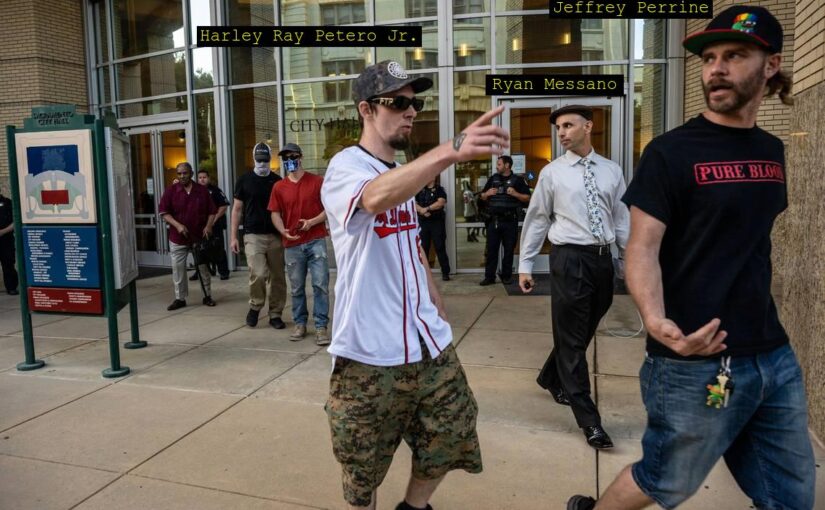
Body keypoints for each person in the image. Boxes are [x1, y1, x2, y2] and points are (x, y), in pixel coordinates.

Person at [568, 6, 814, 509]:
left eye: (734, 55)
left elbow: (751, 243)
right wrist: (655, 320)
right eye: (709, 58)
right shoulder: (670, 152)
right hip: (693, 358)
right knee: (665, 480)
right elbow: (642, 246)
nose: (716, 69)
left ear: (771, 65)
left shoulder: (772, 150)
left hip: (772, 353)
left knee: (790, 495)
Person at [321, 59, 509, 510]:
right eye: (399, 102)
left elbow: (410, 244)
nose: (411, 111)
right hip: (369, 352)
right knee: (361, 464)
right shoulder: (346, 167)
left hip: (428, 342)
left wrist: (434, 294)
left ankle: (414, 506)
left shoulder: (405, 170)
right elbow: (372, 198)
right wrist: (450, 151)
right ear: (366, 109)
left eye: (415, 102)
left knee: (452, 431)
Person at [519, 105, 630, 450]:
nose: (561, 132)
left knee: (579, 333)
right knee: (571, 338)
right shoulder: (553, 173)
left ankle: (550, 376)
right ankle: (590, 420)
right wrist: (525, 263)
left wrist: (626, 258)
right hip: (568, 260)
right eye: (558, 127)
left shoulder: (612, 170)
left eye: (568, 126)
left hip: (601, 262)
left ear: (588, 127)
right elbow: (538, 218)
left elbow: (621, 216)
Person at [267, 142, 331, 345]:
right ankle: (300, 323)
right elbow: (275, 213)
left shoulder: (317, 181)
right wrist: (282, 230)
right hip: (292, 244)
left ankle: (321, 326)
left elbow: (329, 208)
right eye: (285, 158)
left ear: (300, 157)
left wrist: (311, 222)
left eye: (292, 156)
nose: (289, 161)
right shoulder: (279, 186)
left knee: (320, 284)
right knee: (296, 288)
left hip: (315, 240)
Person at [230, 143, 287, 329]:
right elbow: (237, 209)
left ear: (270, 159)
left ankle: (276, 313)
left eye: (265, 160)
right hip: (253, 234)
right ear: (254, 159)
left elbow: (284, 209)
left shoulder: (278, 181)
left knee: (278, 277)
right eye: (259, 160)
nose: (262, 164)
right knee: (258, 273)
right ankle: (255, 306)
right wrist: (233, 237)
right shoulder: (244, 180)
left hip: (275, 235)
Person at [158, 162, 217, 310]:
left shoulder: (202, 191)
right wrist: (177, 225)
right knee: (178, 269)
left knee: (203, 268)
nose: (182, 176)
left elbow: (212, 211)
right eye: (179, 173)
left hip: (199, 237)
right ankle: (180, 298)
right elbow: (164, 213)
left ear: (191, 173)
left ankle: (207, 295)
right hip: (178, 238)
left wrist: (209, 226)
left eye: (185, 173)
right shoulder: (171, 191)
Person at [478, 155, 530, 285]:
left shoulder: (518, 180)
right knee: (491, 251)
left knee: (508, 251)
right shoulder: (493, 179)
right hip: (494, 221)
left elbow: (528, 198)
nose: (497, 166)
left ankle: (506, 276)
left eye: (499, 164)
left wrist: (515, 194)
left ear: (507, 165)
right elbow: (482, 197)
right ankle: (489, 277)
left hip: (510, 221)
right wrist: (487, 194)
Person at [190, 169, 230, 281]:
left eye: (204, 177)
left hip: (215, 225)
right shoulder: (194, 191)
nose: (202, 179)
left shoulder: (215, 191)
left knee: (218, 248)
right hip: (199, 226)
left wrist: (213, 221)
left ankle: (223, 272)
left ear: (209, 178)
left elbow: (223, 206)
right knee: (199, 249)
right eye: (200, 177)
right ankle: (199, 272)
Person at [415, 179, 451, 281]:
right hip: (423, 222)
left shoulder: (439, 189)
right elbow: (413, 203)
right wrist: (421, 210)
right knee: (423, 248)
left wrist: (427, 209)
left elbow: (441, 202)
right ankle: (423, 273)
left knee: (440, 247)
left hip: (436, 222)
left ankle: (445, 272)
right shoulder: (420, 190)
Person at [0, 191, 19, 295]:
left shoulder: (8, 203)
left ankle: (11, 287)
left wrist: (3, 231)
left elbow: (16, 220)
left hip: (6, 239)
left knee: (8, 264)